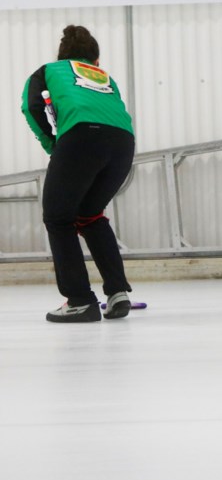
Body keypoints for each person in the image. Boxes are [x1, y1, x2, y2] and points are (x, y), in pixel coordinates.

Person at [21, 25, 136, 322]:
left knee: (59, 218)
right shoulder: (105, 77)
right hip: (123, 143)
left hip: (81, 137)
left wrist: (54, 146)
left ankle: (80, 300)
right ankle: (117, 292)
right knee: (90, 214)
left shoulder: (47, 71)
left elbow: (31, 107)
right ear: (95, 61)